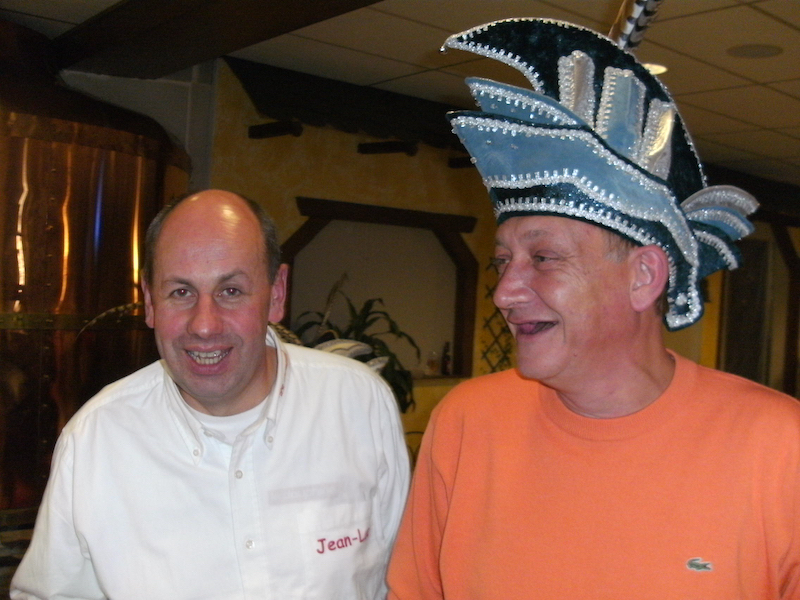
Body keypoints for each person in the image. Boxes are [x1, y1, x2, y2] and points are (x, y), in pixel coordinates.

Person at [387, 18, 800, 599]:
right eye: (504, 261)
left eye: (544, 258)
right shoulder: (467, 423)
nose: (505, 292)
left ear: (643, 276)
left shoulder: (779, 447)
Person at [12, 189, 410, 599]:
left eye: (230, 291)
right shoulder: (95, 439)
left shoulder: (358, 403)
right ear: (150, 301)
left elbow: (408, 579)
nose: (204, 325)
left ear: (276, 294)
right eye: (181, 292)